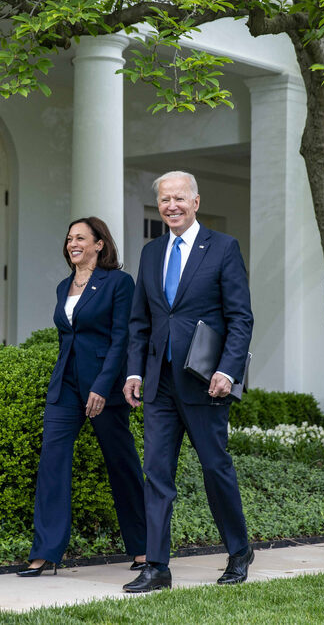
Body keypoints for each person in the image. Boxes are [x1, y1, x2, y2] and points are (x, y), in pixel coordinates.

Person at [122, 171, 254, 592]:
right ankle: (157, 567)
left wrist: (228, 370)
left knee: (216, 469)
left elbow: (240, 317)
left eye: (179, 198)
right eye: (164, 200)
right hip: (159, 383)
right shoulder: (151, 252)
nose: (171, 206)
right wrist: (135, 370)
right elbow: (140, 321)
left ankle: (239, 551)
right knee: (156, 474)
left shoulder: (223, 248)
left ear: (196, 201)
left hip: (205, 382)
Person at [18, 217, 148, 577]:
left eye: (80, 237)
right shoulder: (64, 286)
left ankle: (143, 548)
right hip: (66, 387)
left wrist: (103, 387)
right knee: (52, 464)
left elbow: (121, 338)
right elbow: (67, 338)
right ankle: (45, 552)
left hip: (102, 387)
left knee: (121, 465)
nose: (72, 243)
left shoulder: (119, 283)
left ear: (99, 244)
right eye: (69, 237)